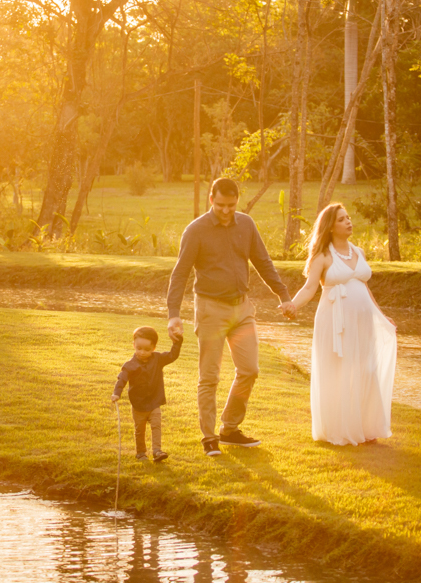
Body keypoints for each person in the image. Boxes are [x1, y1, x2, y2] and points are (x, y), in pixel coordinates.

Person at [167, 177, 296, 457]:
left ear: (238, 200)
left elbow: (263, 262)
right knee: (209, 376)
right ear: (211, 199)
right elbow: (180, 274)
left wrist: (283, 295)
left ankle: (229, 428)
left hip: (242, 308)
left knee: (249, 370)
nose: (226, 211)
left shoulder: (246, 224)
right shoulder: (196, 230)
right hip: (210, 309)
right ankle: (209, 437)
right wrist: (173, 314)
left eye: (231, 205)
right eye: (221, 205)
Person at [283, 203, 397, 445]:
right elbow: (309, 288)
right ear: (330, 227)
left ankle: (365, 428)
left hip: (363, 322)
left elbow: (365, 288)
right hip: (335, 322)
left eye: (348, 217)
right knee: (339, 371)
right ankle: (339, 429)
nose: (348, 222)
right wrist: (293, 305)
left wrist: (381, 315)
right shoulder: (323, 256)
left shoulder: (359, 252)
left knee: (366, 369)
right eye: (342, 219)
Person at [112, 325, 183, 463]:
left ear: (154, 348)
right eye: (139, 348)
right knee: (140, 430)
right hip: (138, 405)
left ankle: (157, 451)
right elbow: (122, 379)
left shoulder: (158, 359)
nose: (142, 352)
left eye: (147, 349)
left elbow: (172, 355)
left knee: (156, 426)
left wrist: (177, 341)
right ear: (134, 345)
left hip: (154, 402)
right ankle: (141, 453)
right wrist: (116, 393)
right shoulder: (130, 365)